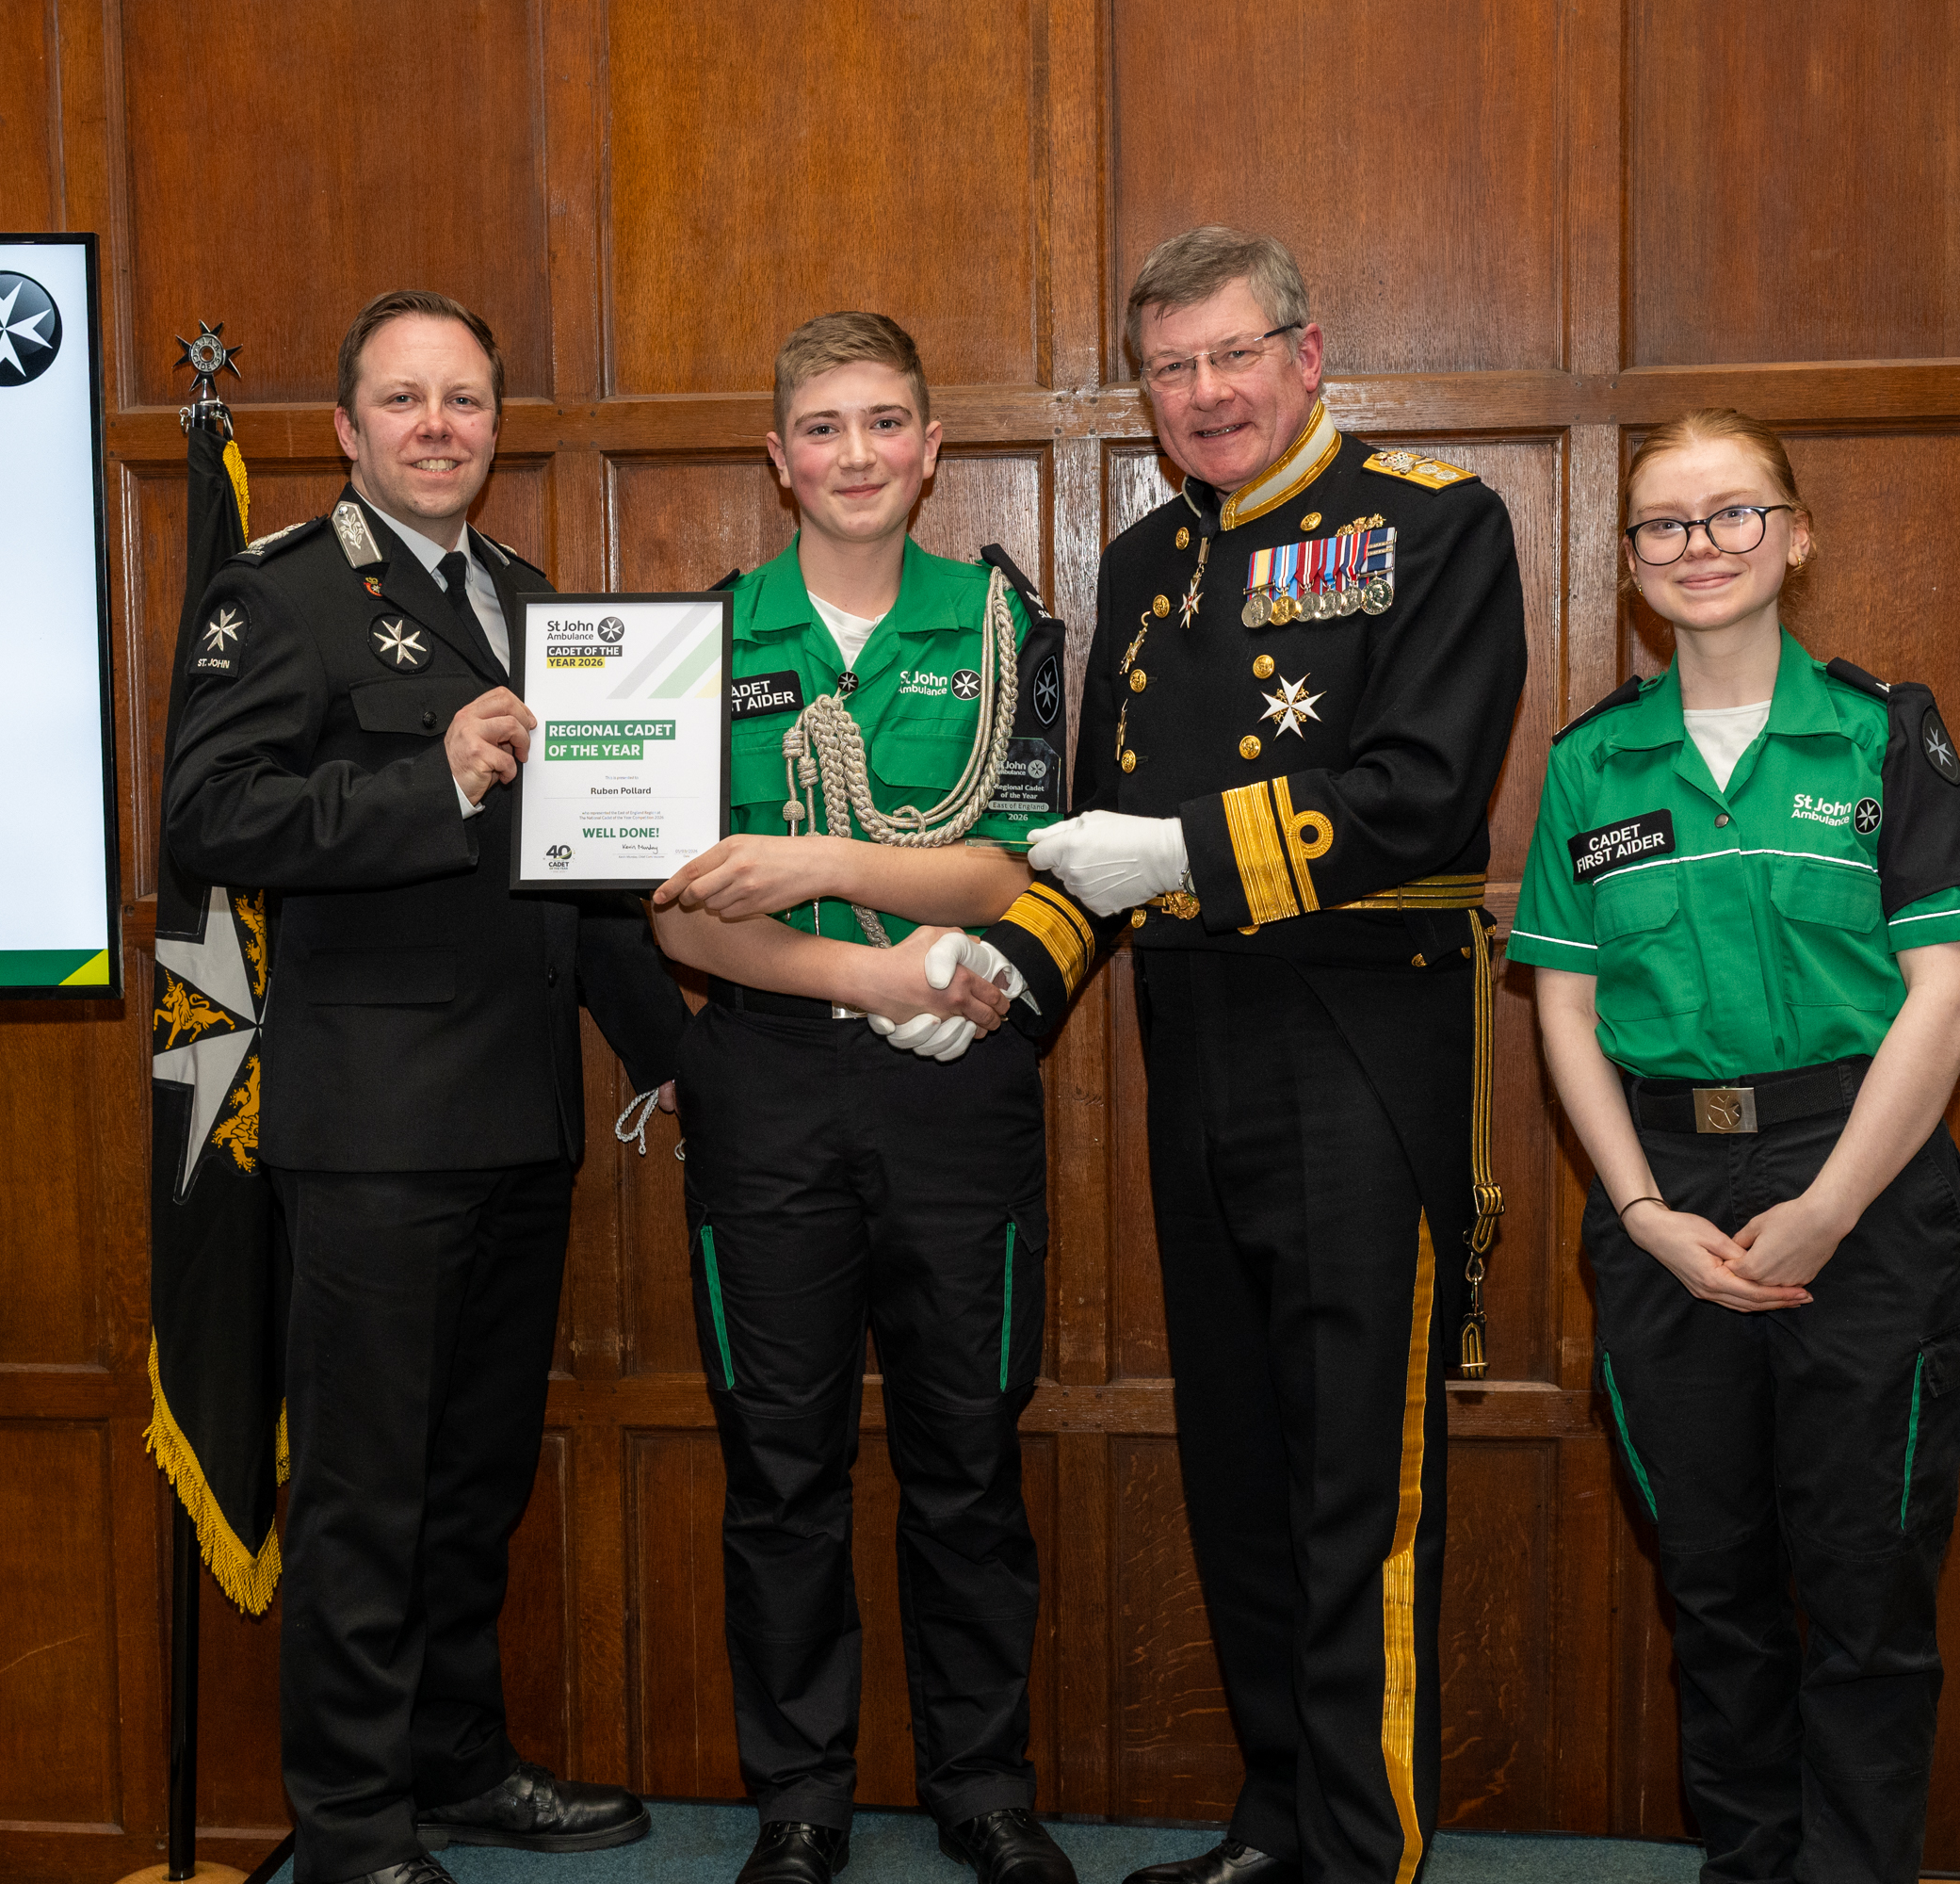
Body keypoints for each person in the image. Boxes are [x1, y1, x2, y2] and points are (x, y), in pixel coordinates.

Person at [995, 227, 1529, 1884]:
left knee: (1357, 1480)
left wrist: (1179, 862)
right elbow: (1088, 846)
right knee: (1240, 1460)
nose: (1207, 393)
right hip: (1199, 1057)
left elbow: (1420, 797)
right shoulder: (1148, 559)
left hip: (1364, 1048)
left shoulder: (1435, 525)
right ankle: (1280, 1818)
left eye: (1236, 355)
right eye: (1174, 367)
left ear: (1309, 353)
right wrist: (987, 976)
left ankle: (1364, 1856)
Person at [163, 288, 688, 1884]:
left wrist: (687, 1059)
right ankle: (348, 1826)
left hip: (519, 1120)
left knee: (471, 1483)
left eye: (464, 398)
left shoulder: (533, 601)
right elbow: (212, 818)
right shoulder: (285, 597)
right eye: (403, 400)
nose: (437, 425)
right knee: (366, 1497)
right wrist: (432, 776)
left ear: (495, 422)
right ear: (346, 428)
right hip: (374, 1135)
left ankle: (457, 1765)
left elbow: (583, 874)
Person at [1505, 409, 1960, 1882]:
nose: (1699, 547)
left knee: (1863, 1590)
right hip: (1670, 1206)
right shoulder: (1594, 766)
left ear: (1795, 535)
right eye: (1664, 525)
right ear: (1630, 565)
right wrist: (1646, 1209)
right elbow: (1567, 1012)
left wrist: (1833, 1206)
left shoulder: (1877, 735)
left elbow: (1949, 994)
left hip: (1860, 1185)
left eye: (1732, 515)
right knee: (1714, 1590)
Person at [646, 311, 1076, 1884]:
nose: (855, 456)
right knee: (780, 1461)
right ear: (778, 457)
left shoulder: (1002, 623)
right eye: (822, 428)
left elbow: (1005, 860)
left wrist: (825, 865)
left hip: (959, 1097)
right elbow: (682, 914)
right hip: (768, 1083)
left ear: (931, 446)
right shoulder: (698, 637)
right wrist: (878, 977)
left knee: (969, 1447)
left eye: (884, 423)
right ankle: (801, 1800)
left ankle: (982, 1785)